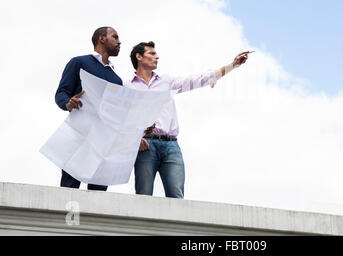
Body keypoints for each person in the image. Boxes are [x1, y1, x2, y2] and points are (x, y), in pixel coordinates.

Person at [125, 41, 249, 198]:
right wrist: (135, 137)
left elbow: (198, 79)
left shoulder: (166, 81)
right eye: (152, 53)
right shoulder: (127, 87)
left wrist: (233, 65)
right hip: (145, 147)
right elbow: (121, 118)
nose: (157, 56)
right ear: (139, 57)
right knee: (143, 196)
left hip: (171, 145)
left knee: (176, 197)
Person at [55, 26, 122, 191]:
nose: (119, 42)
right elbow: (61, 93)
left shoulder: (117, 80)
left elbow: (118, 114)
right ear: (102, 38)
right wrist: (67, 103)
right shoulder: (79, 62)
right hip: (79, 135)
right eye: (115, 37)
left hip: (103, 141)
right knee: (70, 189)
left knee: (98, 192)